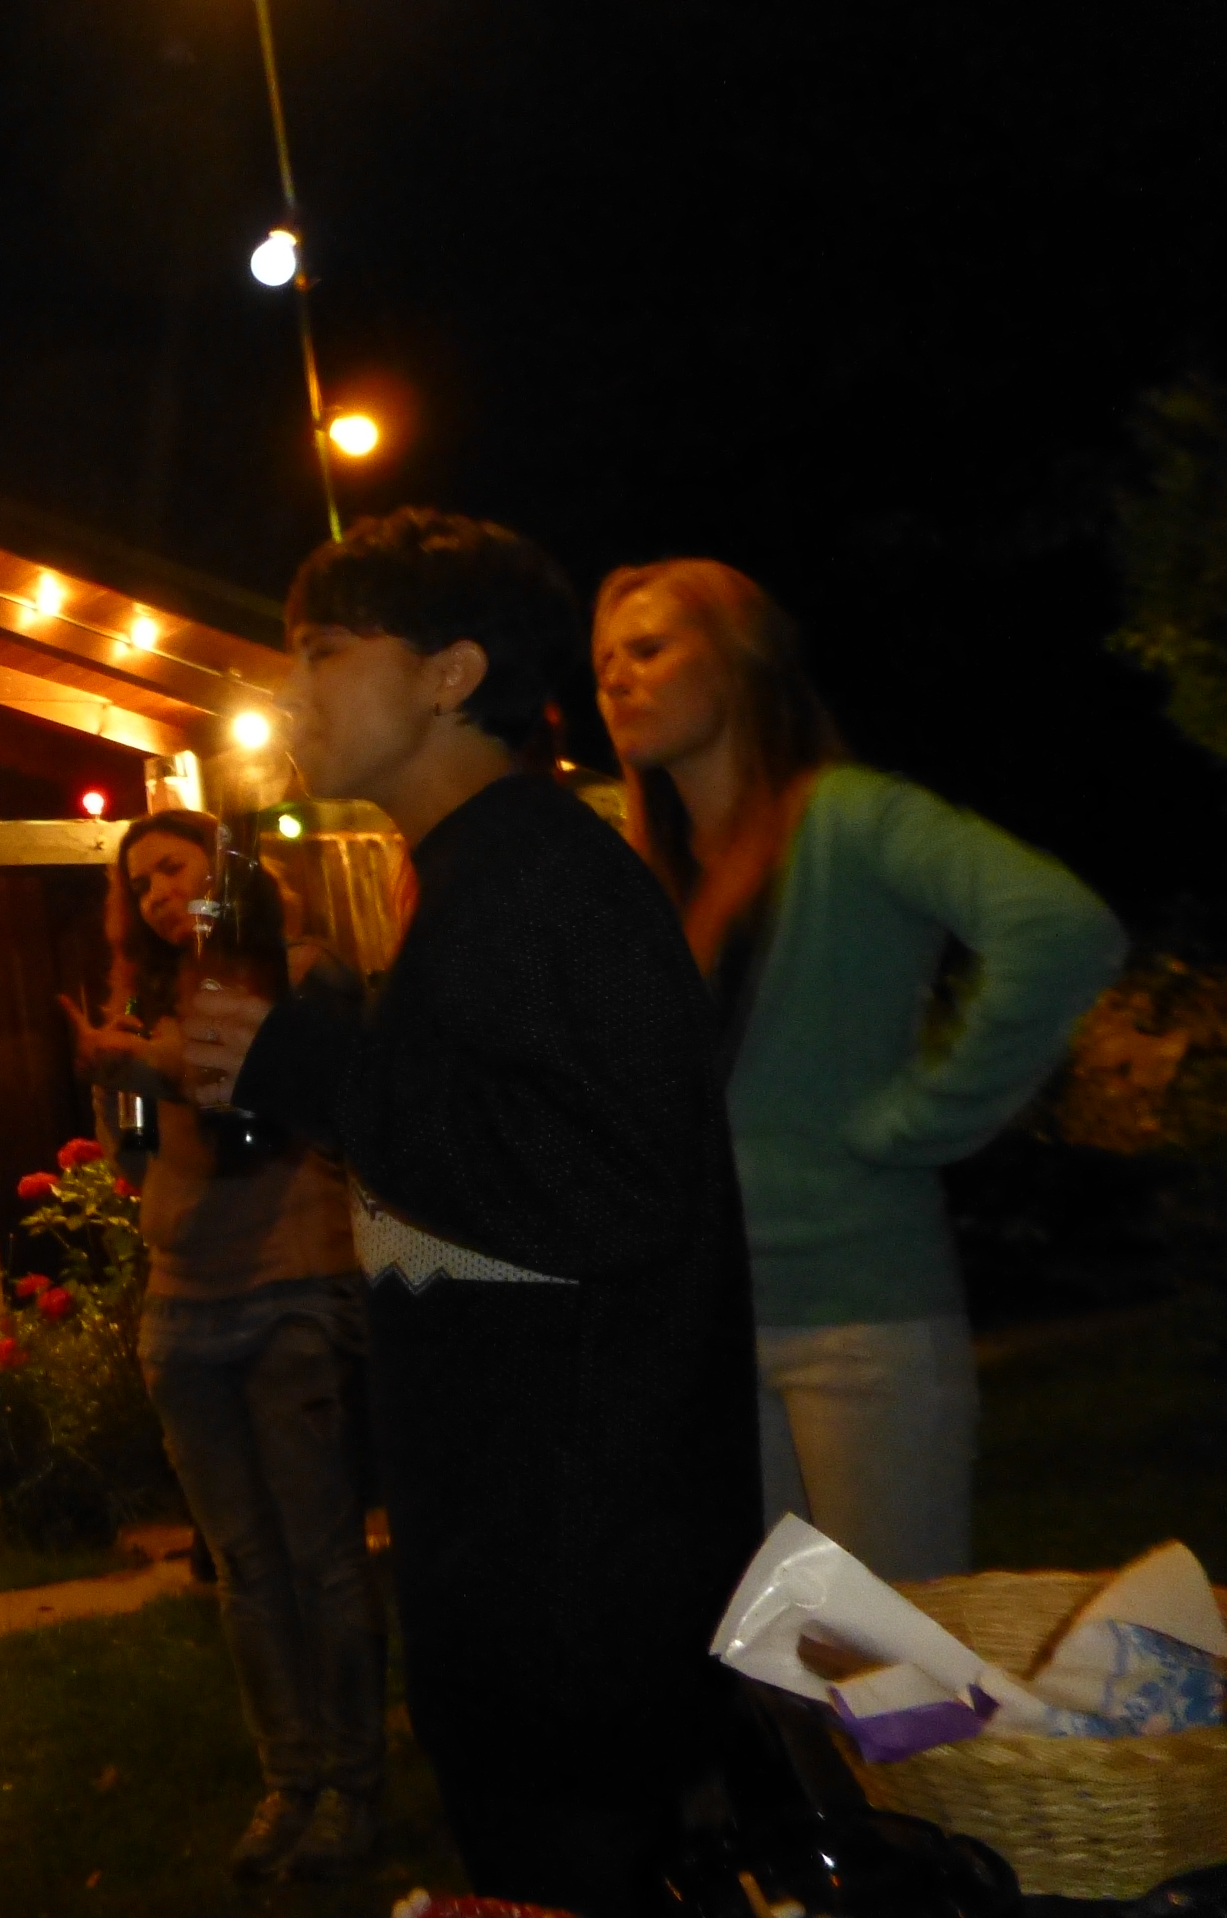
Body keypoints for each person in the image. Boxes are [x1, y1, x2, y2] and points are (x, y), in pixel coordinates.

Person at [181, 509, 762, 1915]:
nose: (291, 688)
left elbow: (612, 1188)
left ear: (451, 675)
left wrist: (322, 1071)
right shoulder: (472, 878)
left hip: (573, 1575)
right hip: (520, 1554)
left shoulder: (543, 880)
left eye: (325, 649)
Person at [592, 559, 1125, 1582]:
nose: (616, 678)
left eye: (649, 649)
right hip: (716, 1325)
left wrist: (923, 1119)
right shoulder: (657, 873)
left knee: (892, 1659)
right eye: (605, 661)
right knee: (776, 1658)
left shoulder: (850, 816)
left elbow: (1059, 928)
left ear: (741, 661)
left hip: (859, 1321)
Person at [59, 812, 386, 1883]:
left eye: (173, 868)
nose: (158, 891)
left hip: (289, 1285)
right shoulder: (150, 1003)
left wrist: (139, 1060)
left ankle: (350, 1788)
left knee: (321, 1556)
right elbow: (136, 1154)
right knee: (246, 1566)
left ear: (222, 871)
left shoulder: (299, 969)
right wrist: (114, 1079)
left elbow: (246, 1083)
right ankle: (289, 1779)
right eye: (141, 881)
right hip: (183, 1305)